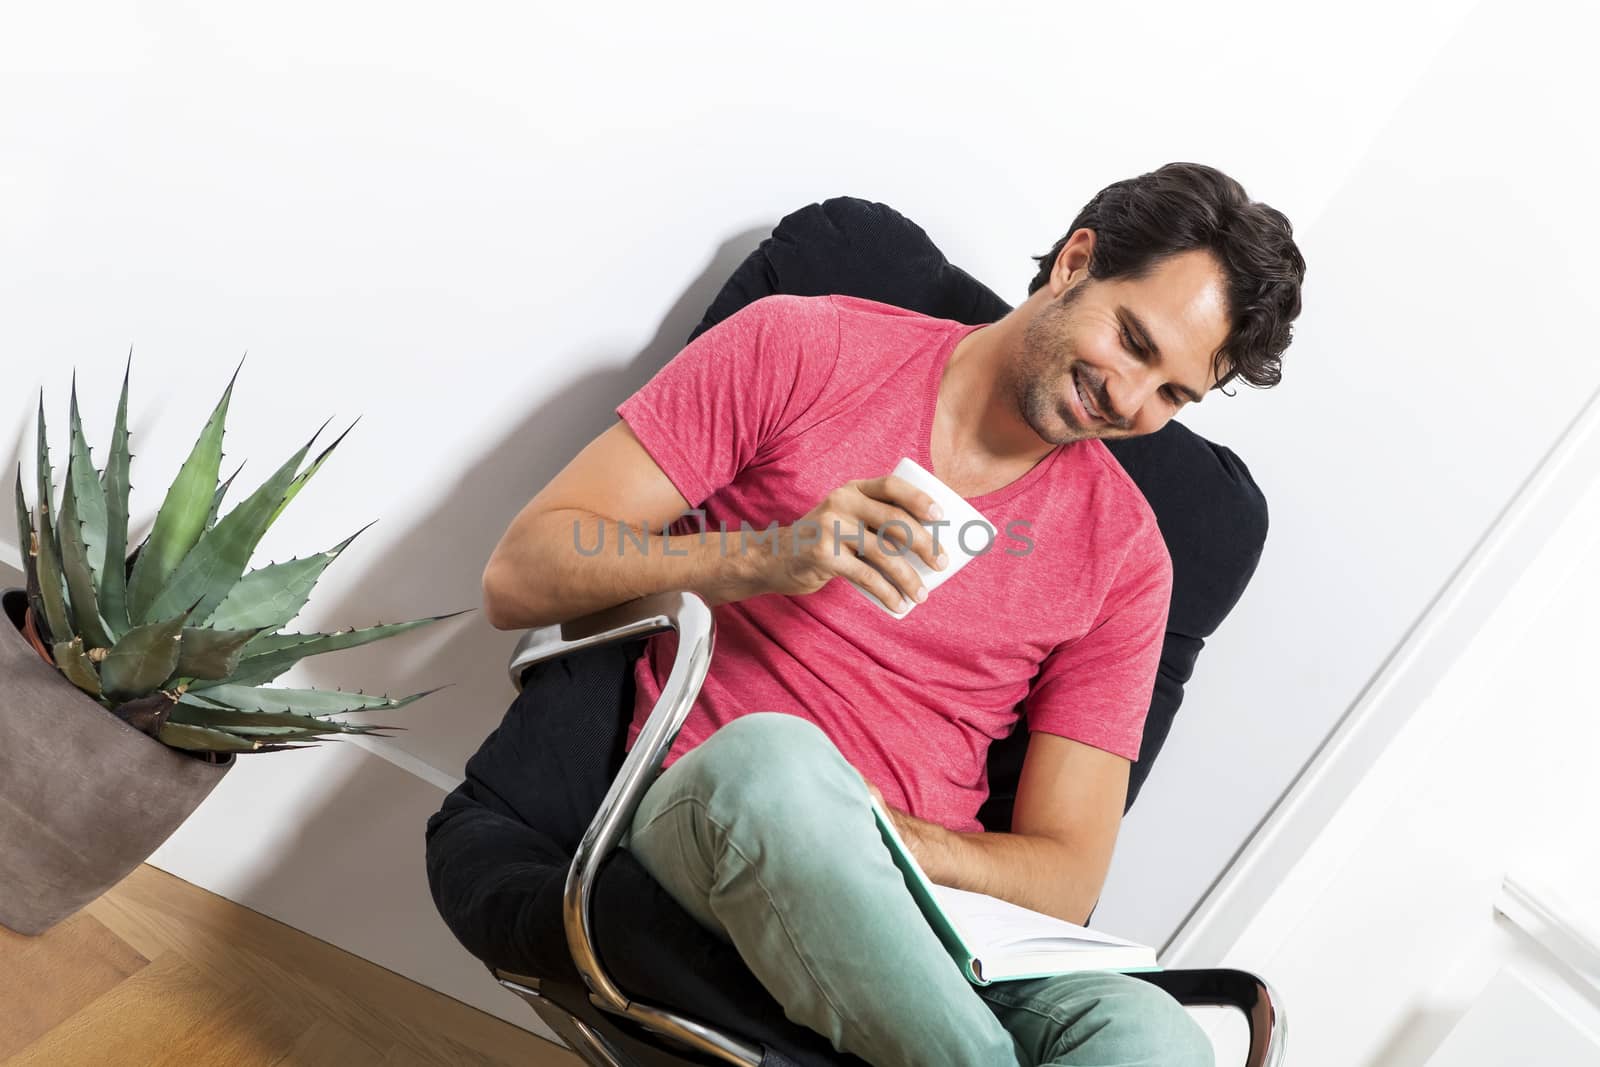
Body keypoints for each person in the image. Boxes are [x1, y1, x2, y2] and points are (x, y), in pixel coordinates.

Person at [481, 162, 1306, 1066]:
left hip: (930, 902)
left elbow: (1066, 875)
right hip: (725, 805)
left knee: (1152, 1037)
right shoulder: (805, 349)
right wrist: (767, 555)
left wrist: (890, 835)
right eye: (1134, 343)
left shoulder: (1128, 556)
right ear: (1076, 262)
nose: (1132, 402)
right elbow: (524, 570)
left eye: (1175, 395)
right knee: (780, 763)